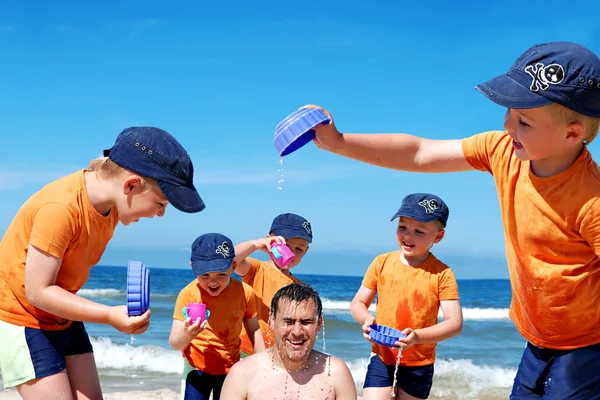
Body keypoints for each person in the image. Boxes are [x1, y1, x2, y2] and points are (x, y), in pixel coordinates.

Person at [308, 41, 600, 399]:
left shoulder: (592, 201)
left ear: (572, 133)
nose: (508, 124)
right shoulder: (503, 152)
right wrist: (339, 142)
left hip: (586, 347)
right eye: (510, 110)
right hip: (536, 339)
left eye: (524, 120)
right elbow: (420, 153)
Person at [0, 127, 205, 399]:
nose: (160, 214)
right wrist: (109, 316)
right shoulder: (60, 208)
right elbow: (37, 291)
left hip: (63, 315)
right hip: (24, 318)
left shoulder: (110, 207)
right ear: (130, 186)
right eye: (160, 203)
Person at [350, 193, 462, 400]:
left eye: (419, 231)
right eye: (402, 227)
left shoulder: (442, 274)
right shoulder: (381, 263)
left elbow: (454, 323)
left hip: (420, 363)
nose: (408, 236)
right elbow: (358, 302)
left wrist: (417, 337)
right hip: (382, 356)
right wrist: (365, 319)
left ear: (438, 237)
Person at [220, 282, 357, 399]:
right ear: (272, 320)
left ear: (319, 323)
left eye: (306, 322)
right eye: (288, 321)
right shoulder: (243, 373)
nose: (297, 332)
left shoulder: (336, 373)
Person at [169, 233, 264, 400]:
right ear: (193, 267)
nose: (213, 282)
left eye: (221, 274)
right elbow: (175, 344)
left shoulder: (244, 292)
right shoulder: (188, 294)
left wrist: (264, 361)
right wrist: (187, 334)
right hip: (196, 369)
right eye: (205, 275)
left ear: (233, 266)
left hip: (231, 369)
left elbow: (254, 329)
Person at [234, 213, 313, 356]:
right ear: (270, 240)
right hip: (246, 349)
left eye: (299, 249)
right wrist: (256, 244)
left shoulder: (299, 286)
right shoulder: (258, 269)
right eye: (287, 246)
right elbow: (229, 261)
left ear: (306, 251)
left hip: (278, 354)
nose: (292, 254)